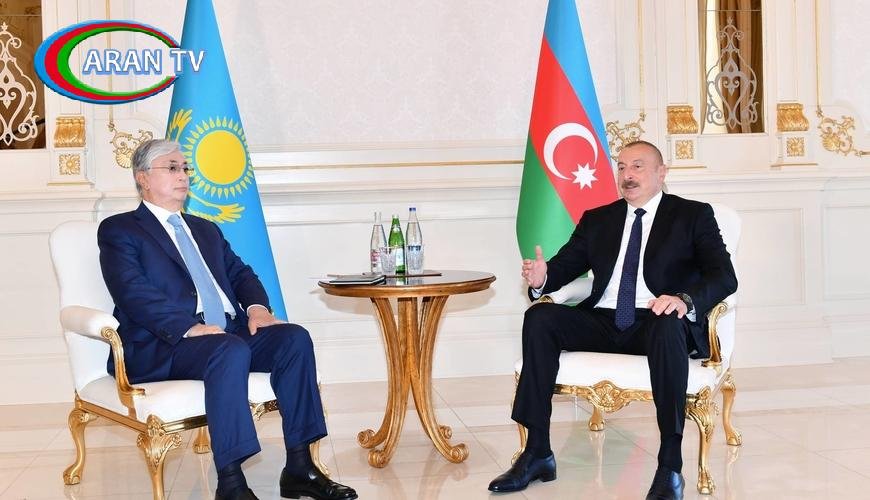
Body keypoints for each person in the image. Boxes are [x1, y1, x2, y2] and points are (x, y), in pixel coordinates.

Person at [98, 139, 357, 500]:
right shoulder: (120, 229)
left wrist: (257, 308)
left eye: (185, 168)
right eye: (172, 168)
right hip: (166, 342)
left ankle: (300, 467)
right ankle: (232, 483)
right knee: (228, 349)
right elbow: (132, 292)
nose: (183, 175)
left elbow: (240, 274)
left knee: (293, 339)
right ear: (143, 178)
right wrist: (188, 327)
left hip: (225, 332)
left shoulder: (205, 229)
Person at [488, 140, 737, 500]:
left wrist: (683, 300)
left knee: (668, 323)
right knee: (540, 317)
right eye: (621, 167)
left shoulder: (692, 215)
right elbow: (564, 266)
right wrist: (543, 277)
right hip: (604, 320)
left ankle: (669, 467)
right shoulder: (598, 218)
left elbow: (724, 276)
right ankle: (537, 452)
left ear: (661, 173)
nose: (627, 175)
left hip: (657, 320)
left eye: (637, 166)